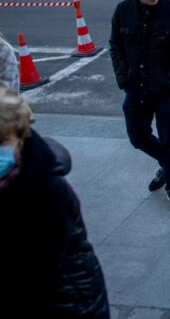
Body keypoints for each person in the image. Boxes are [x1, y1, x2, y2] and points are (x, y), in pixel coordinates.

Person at [0, 87, 110, 317]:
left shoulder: (45, 188)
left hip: (67, 301)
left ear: (20, 136)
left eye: (1, 141)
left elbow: (35, 270)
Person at [108, 0, 170, 213]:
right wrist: (123, 77)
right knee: (137, 136)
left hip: (166, 89)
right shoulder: (123, 11)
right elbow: (115, 46)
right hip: (136, 87)